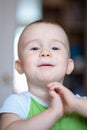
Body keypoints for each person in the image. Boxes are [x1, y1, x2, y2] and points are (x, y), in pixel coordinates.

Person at [0, 20, 87, 130]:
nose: (45, 52)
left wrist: (75, 104)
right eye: (35, 48)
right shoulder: (17, 103)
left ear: (68, 66)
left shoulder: (80, 103)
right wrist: (53, 113)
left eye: (55, 48)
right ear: (20, 66)